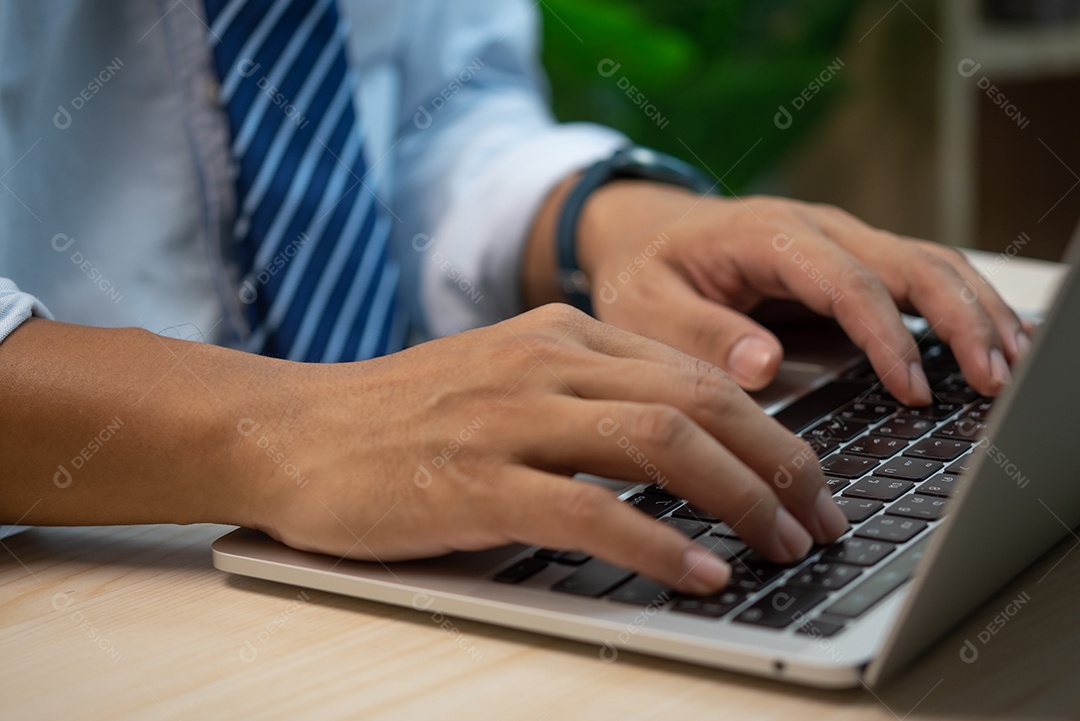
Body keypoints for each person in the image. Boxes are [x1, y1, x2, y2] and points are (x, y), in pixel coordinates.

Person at [0, 1, 1027, 596]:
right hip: (75, 585)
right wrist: (282, 430)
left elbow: (434, 109)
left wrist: (595, 223)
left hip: (398, 554)